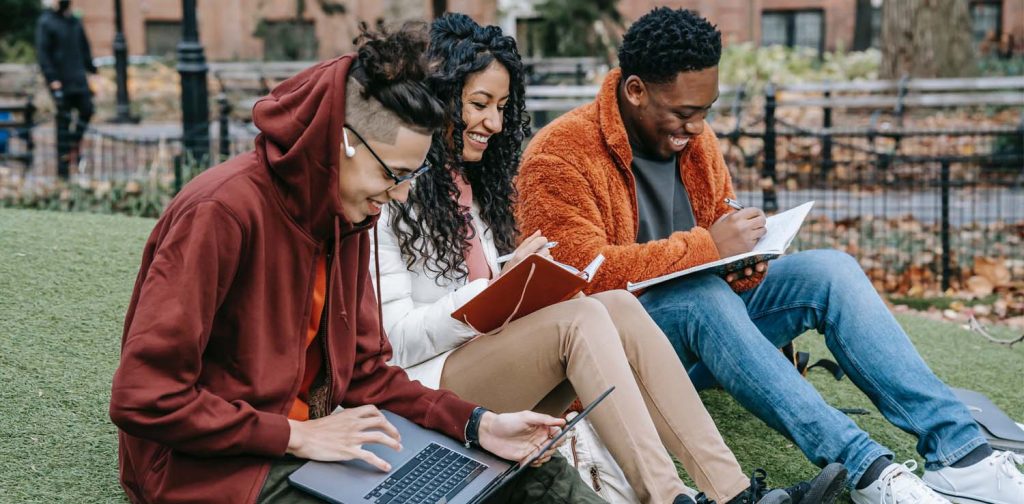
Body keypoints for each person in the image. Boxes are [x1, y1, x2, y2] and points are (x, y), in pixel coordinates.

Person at [515, 7, 1024, 504]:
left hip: (710, 330)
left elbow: (720, 227)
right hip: (621, 357)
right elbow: (577, 281)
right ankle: (869, 469)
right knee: (698, 295)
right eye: (684, 113)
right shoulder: (558, 154)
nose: (696, 128)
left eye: (706, 111)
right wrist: (709, 248)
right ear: (635, 91)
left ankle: (962, 456)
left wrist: (743, 260)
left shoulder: (696, 139)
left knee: (831, 271)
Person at [108, 22, 604, 504]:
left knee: (522, 469)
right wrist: (293, 437)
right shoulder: (220, 212)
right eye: (394, 173)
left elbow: (367, 372)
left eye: (414, 174)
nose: (401, 194)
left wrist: (480, 425)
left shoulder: (347, 214)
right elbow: (144, 396)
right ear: (342, 141)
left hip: (320, 443)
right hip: (211, 470)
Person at [371, 13, 847, 504]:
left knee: (616, 304)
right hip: (428, 392)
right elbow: (392, 344)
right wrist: (494, 292)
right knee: (581, 317)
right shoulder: (382, 194)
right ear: (438, 98)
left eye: (502, 107)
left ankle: (732, 494)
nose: (493, 122)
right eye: (479, 104)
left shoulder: (479, 186)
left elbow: (487, 298)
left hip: (485, 362)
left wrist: (522, 280)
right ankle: (671, 500)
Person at [35, 0, 96, 177]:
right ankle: (63, 171)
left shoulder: (75, 22)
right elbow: (43, 54)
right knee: (63, 124)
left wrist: (93, 71)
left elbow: (85, 49)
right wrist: (52, 79)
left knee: (87, 110)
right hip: (60, 81)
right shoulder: (46, 22)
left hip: (79, 79)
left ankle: (72, 147)